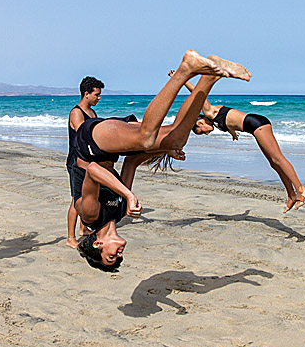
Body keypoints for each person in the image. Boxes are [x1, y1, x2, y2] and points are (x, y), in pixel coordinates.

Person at [72, 50, 251, 271]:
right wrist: (165, 150)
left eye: (111, 258)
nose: (119, 255)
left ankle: (185, 69)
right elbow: (131, 163)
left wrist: (128, 195)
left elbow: (91, 170)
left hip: (89, 147)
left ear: (98, 244)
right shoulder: (118, 214)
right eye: (119, 259)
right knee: (176, 139)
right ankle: (209, 77)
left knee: (146, 139)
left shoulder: (90, 216)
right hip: (109, 151)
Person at [181, 75, 305, 213]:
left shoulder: (209, 112)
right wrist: (232, 131)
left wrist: (182, 79)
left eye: (201, 132)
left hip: (257, 124)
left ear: (200, 122)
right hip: (253, 127)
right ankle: (291, 194)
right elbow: (229, 120)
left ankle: (300, 189)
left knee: (278, 158)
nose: (205, 134)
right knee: (273, 163)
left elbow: (198, 93)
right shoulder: (216, 122)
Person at [65, 76, 104, 249]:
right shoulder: (76, 113)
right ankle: (70, 237)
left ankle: (84, 228)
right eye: (96, 95)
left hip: (88, 160)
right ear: (86, 94)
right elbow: (84, 135)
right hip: (76, 161)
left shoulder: (92, 112)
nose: (99, 98)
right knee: (77, 199)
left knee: (89, 195)